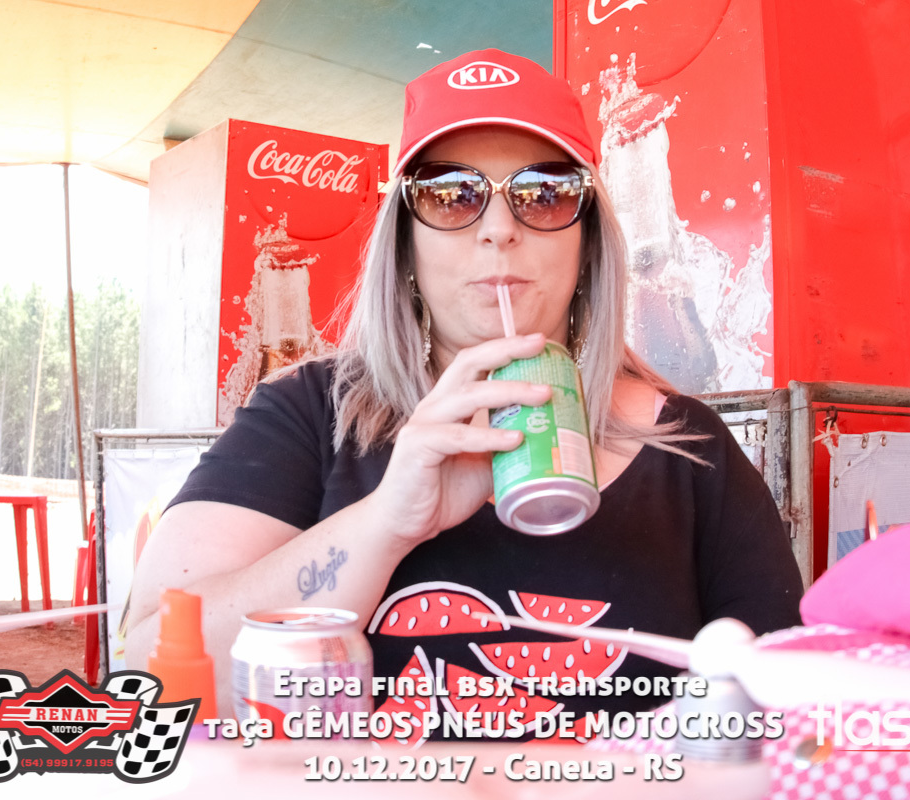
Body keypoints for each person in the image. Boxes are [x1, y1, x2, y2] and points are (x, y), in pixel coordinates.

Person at [125, 48, 803, 733]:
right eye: (450, 194)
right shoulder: (308, 413)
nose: (499, 229)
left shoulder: (691, 450)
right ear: (405, 244)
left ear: (589, 242)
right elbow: (151, 671)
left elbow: (790, 718)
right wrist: (387, 522)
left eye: (545, 193)